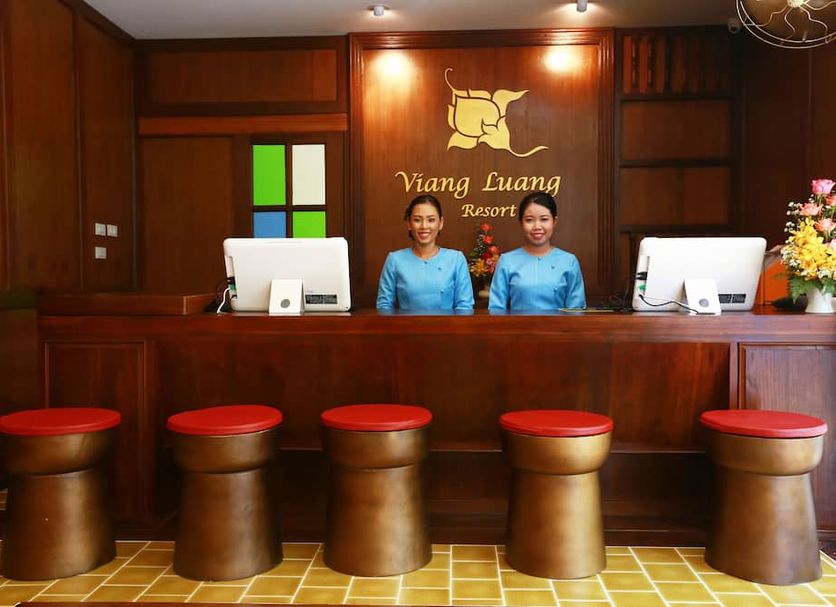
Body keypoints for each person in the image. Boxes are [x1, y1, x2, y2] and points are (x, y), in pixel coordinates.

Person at [488, 191, 586, 311]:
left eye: (544, 219)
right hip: (517, 324)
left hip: (560, 324)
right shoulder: (507, 261)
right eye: (529, 220)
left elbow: (576, 311)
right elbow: (496, 310)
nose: (537, 226)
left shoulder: (569, 261)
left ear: (554, 222)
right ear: (521, 223)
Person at [376, 195, 474, 312]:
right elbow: (384, 306)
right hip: (405, 324)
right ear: (409, 223)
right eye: (417, 220)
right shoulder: (395, 260)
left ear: (441, 223)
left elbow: (465, 307)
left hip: (448, 324)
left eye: (431, 220)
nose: (424, 226)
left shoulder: (456, 259)